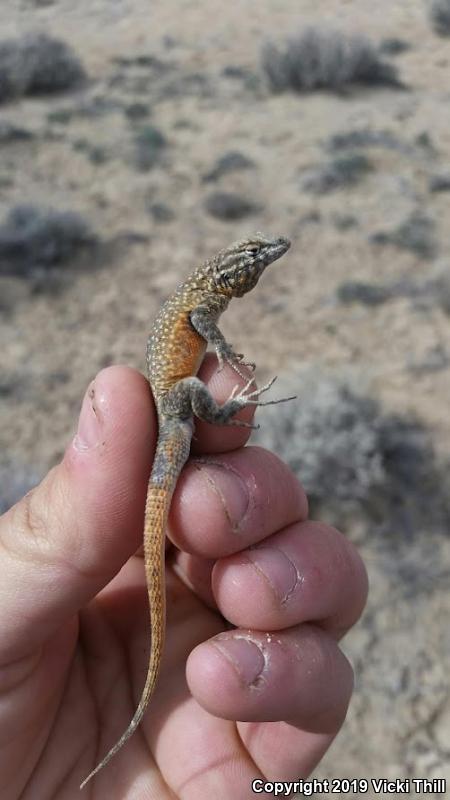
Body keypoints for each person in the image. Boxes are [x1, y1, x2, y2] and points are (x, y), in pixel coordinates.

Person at [0, 362, 368, 797]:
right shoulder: (204, 302)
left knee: (214, 518)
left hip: (172, 421)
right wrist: (227, 381)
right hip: (172, 417)